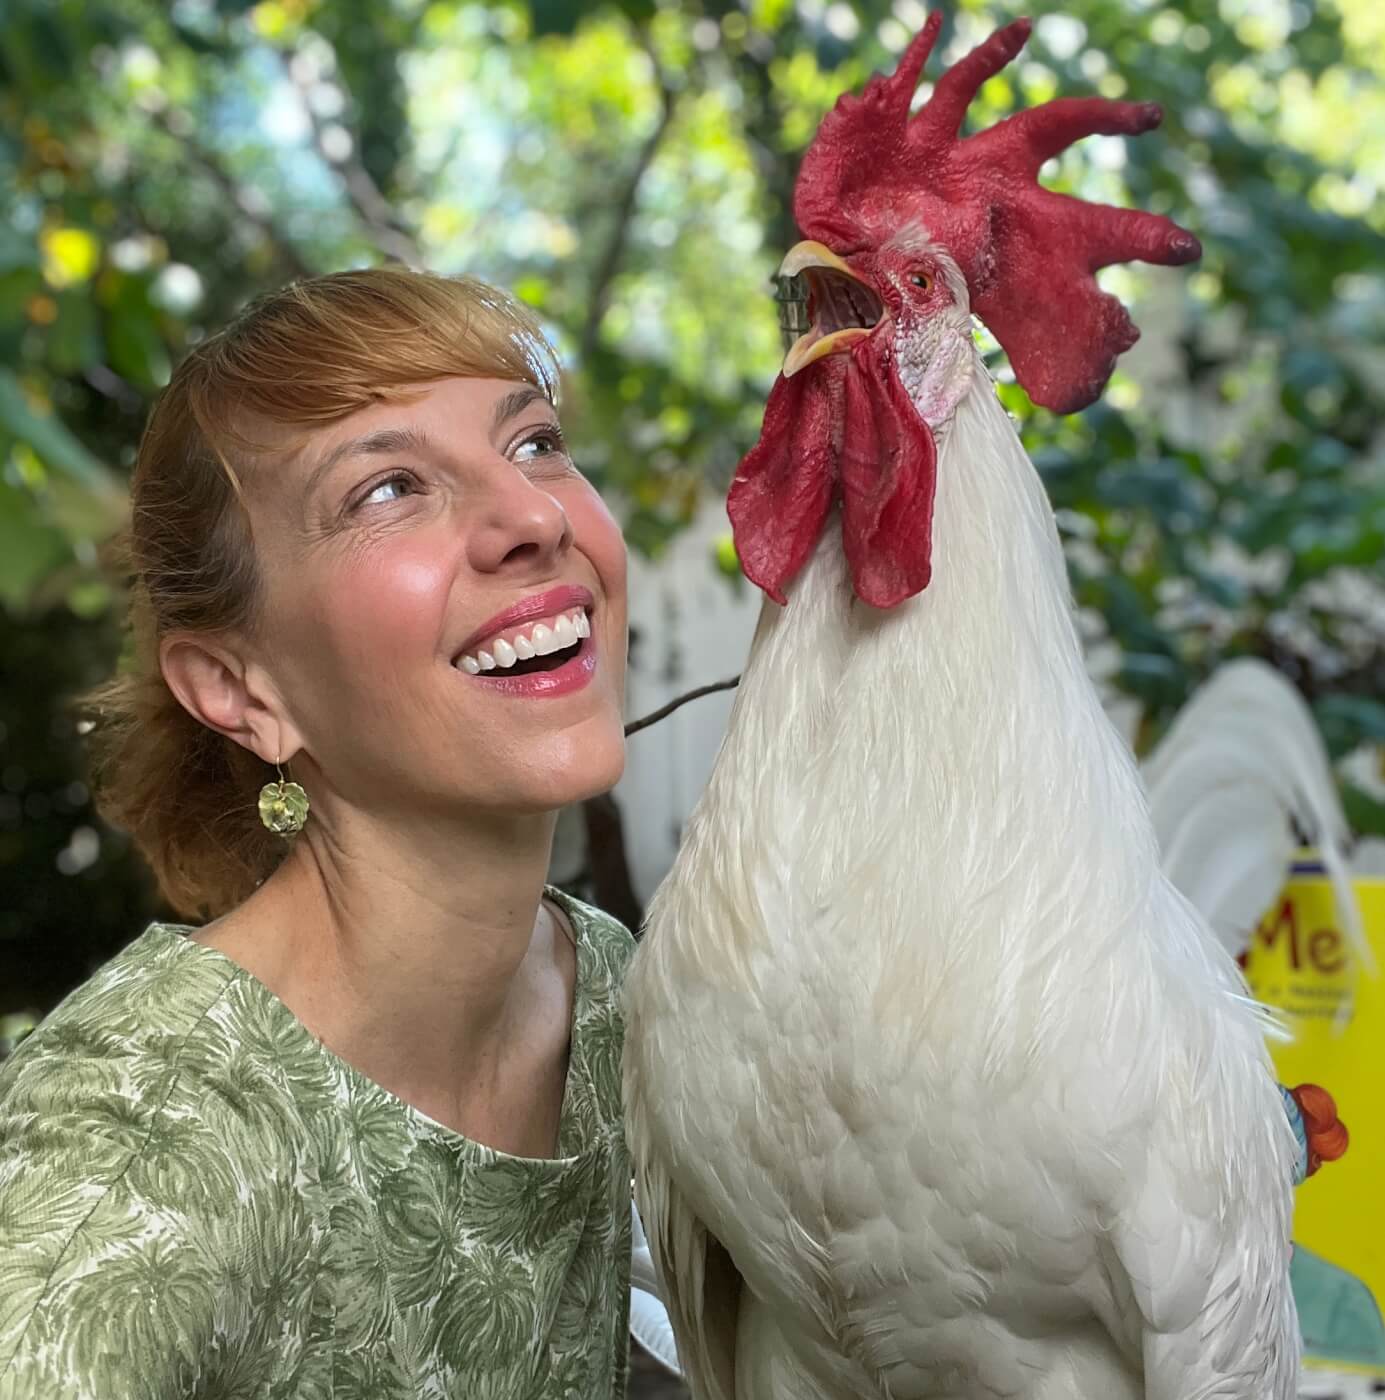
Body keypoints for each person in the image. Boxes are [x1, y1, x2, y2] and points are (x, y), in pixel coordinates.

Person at [0, 267, 636, 1398]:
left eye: (534, 441)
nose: (535, 515)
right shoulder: (138, 1142)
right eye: (388, 487)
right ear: (241, 692)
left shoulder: (614, 990)